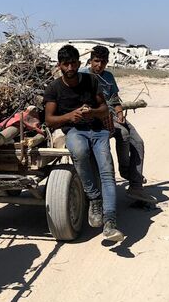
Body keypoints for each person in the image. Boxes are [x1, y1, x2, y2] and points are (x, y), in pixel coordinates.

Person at [43, 44, 124, 242]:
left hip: (98, 131)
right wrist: (71, 116)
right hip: (75, 131)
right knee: (79, 152)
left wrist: (92, 112)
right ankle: (94, 198)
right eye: (65, 64)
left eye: (73, 63)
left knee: (106, 170)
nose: (70, 68)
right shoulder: (54, 88)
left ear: (79, 63)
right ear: (59, 65)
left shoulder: (90, 80)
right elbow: (49, 119)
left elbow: (104, 109)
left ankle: (110, 222)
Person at [81, 45, 156, 204]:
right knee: (123, 134)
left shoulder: (108, 76)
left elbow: (115, 100)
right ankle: (125, 170)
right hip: (97, 116)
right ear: (90, 60)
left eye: (102, 62)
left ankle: (135, 185)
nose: (99, 65)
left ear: (107, 62)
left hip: (113, 115)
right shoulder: (82, 75)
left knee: (138, 142)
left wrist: (120, 113)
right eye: (96, 61)